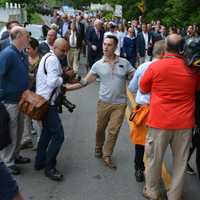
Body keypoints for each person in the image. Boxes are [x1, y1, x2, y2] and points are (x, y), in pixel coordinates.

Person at [140, 34, 200, 200]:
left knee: (154, 159)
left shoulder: (155, 67)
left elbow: (143, 89)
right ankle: (175, 195)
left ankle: (152, 191)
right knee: (180, 163)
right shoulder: (193, 70)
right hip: (184, 123)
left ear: (165, 47)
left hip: (159, 122)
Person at [65, 35, 135, 169]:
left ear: (115, 47)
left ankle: (107, 154)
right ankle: (98, 146)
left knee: (113, 131)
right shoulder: (98, 65)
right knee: (100, 129)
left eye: (109, 45)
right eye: (104, 44)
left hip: (120, 104)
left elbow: (135, 76)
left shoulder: (124, 63)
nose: (105, 47)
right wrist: (68, 88)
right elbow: (85, 82)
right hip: (103, 103)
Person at [128, 40, 165, 182]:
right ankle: (153, 173)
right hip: (159, 110)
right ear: (163, 53)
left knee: (140, 142)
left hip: (143, 110)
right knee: (157, 144)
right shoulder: (165, 68)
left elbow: (131, 88)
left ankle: (138, 169)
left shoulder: (143, 67)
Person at [34, 38, 69, 181]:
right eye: (62, 50)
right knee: (59, 135)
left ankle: (40, 161)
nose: (64, 53)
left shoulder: (47, 57)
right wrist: (64, 77)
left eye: (66, 50)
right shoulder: (53, 60)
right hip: (48, 104)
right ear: (54, 47)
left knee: (47, 134)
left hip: (43, 102)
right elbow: (52, 81)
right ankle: (49, 167)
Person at [0, 26, 30, 175]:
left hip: (21, 99)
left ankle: (15, 155)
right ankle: (7, 162)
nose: (28, 38)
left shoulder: (21, 54)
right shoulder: (7, 54)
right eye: (26, 36)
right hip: (9, 100)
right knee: (10, 132)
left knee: (19, 130)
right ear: (18, 36)